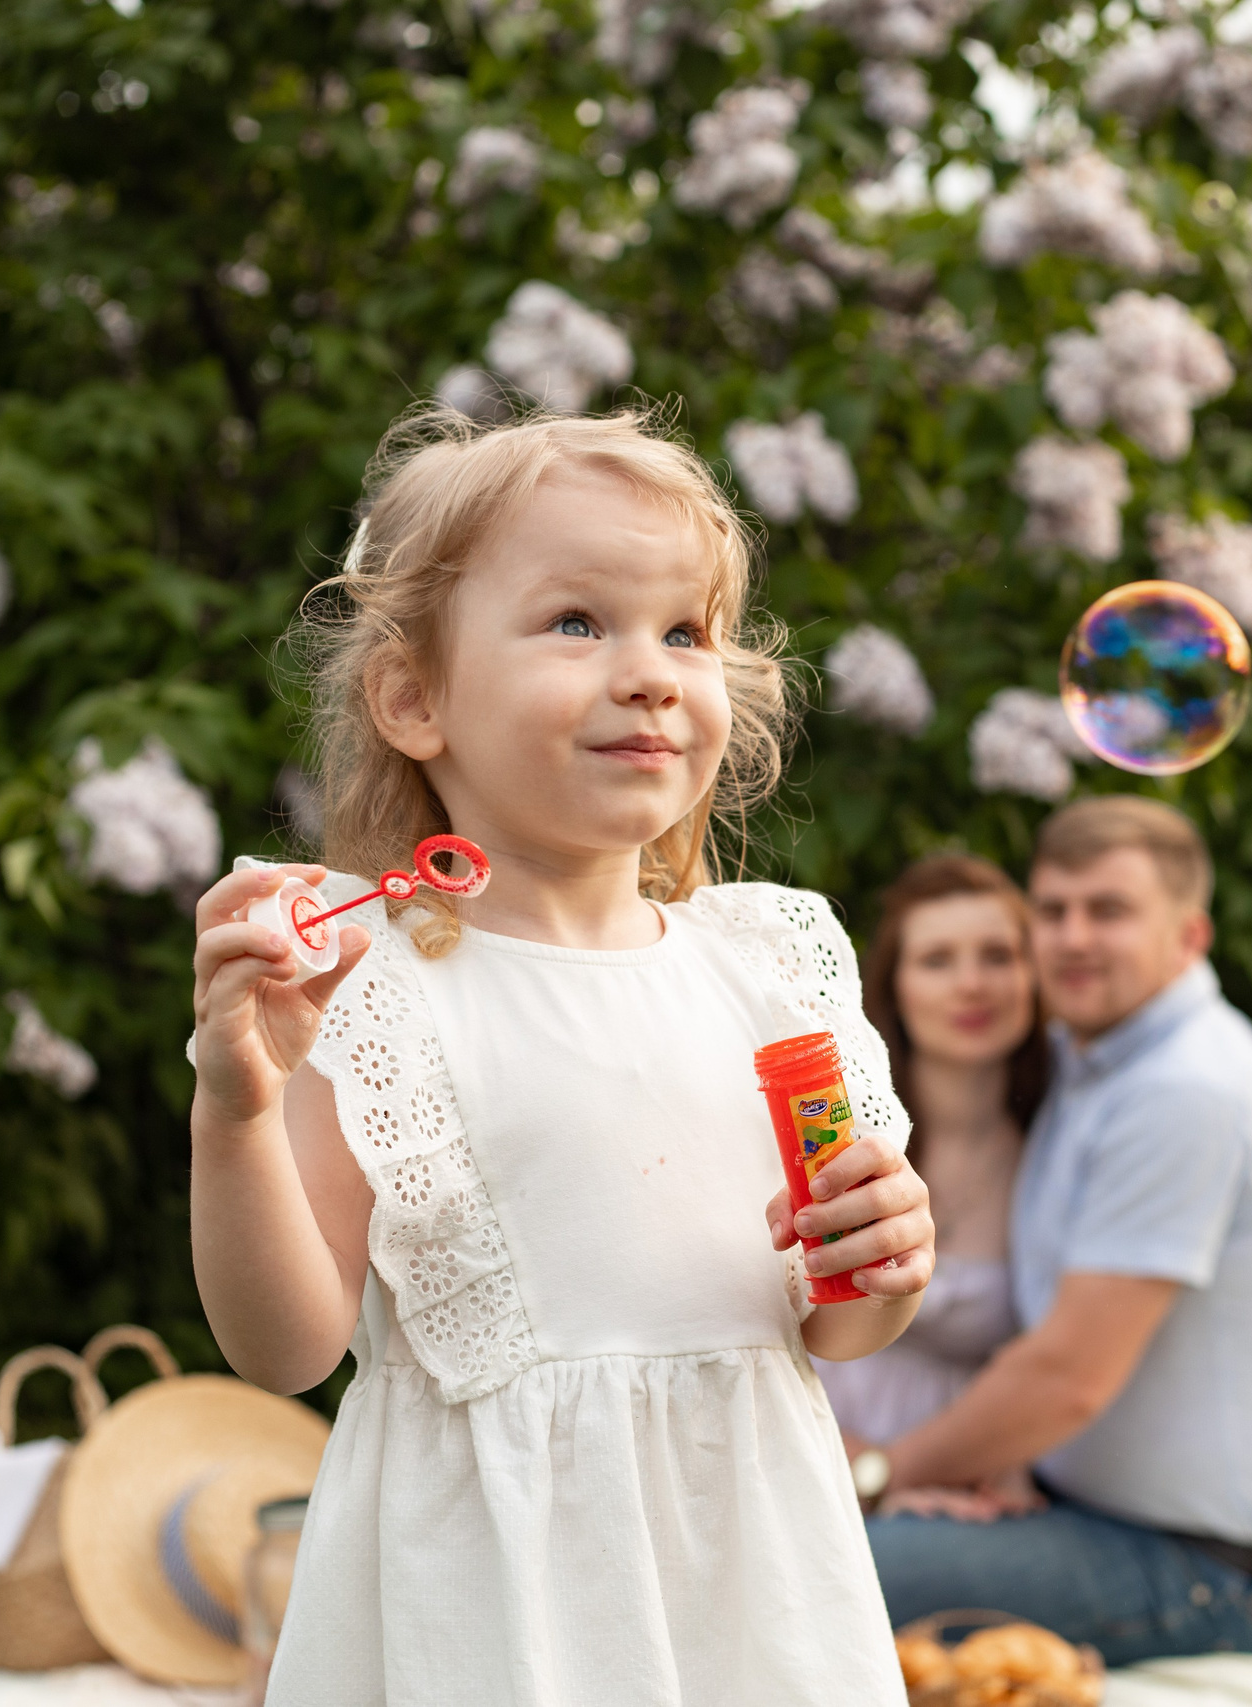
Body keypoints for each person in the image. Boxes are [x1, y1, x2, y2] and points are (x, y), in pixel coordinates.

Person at [185, 406, 936, 1705]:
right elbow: (286, 1344)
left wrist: (891, 1249)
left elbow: (847, 1319)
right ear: (415, 696)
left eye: (685, 631)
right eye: (578, 620)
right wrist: (238, 1108)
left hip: (748, 1575)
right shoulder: (375, 986)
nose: (647, 670)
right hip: (502, 1599)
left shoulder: (771, 960)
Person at [861, 796, 1252, 1665]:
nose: (1073, 937)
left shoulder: (1186, 1088)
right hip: (1073, 1508)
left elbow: (1067, 1376)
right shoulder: (1094, 1063)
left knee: (828, 1568)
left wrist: (884, 1477)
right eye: (1052, 910)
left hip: (1204, 1565)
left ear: (1190, 936)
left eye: (1110, 910)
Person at [815, 855, 1050, 1472]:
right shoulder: (837, 1137)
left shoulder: (1060, 1146)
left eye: (998, 956)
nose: (971, 984)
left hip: (965, 1475)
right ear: (895, 986)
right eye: (937, 960)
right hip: (819, 1452)